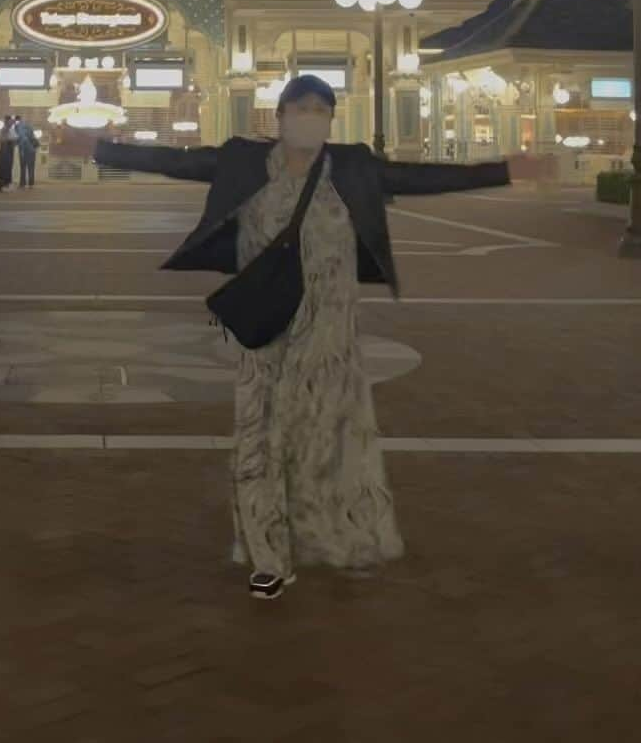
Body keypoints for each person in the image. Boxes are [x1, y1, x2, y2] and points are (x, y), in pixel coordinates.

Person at [94, 75, 511, 602]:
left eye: (320, 109)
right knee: (258, 433)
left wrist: (502, 170)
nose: (309, 116)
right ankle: (267, 555)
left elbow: (422, 175)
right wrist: (100, 148)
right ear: (280, 114)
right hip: (264, 321)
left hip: (330, 330)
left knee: (326, 434)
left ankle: (338, 533)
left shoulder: (353, 165)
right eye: (300, 107)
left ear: (331, 118)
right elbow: (177, 162)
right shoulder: (244, 160)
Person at [0, 115, 16, 193]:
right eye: (10, 121)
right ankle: (5, 184)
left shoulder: (7, 128)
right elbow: (7, 139)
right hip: (6, 149)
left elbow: (12, 138)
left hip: (7, 149)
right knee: (6, 167)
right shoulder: (6, 129)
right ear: (7, 121)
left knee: (6, 167)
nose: (11, 123)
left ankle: (5, 183)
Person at [14, 115, 38, 188]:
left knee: (23, 167)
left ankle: (22, 183)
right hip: (32, 150)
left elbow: (22, 140)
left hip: (24, 150)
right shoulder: (29, 126)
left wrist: (17, 144)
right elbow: (32, 137)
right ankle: (31, 184)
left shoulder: (18, 127)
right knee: (31, 167)